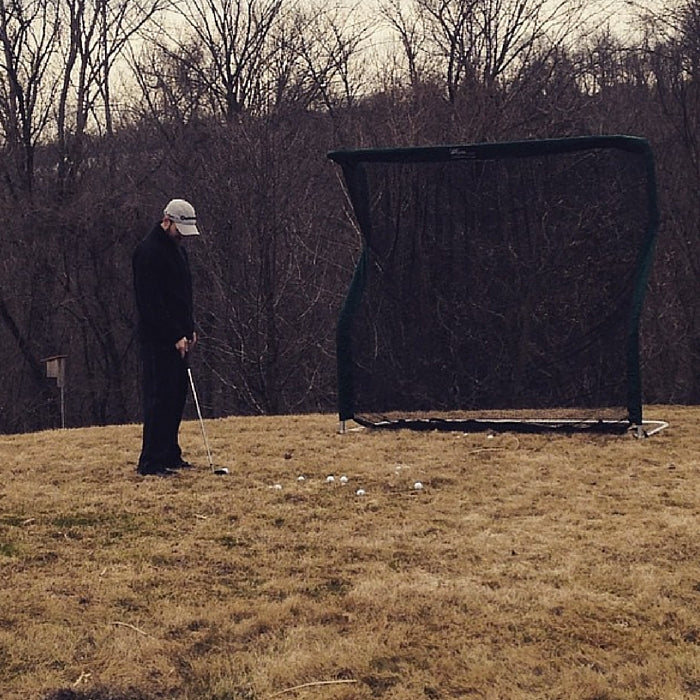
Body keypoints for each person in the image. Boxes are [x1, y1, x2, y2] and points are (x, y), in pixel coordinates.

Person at [132, 198, 200, 476]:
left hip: (179, 337)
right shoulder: (148, 252)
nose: (181, 237)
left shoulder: (177, 250)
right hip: (158, 340)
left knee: (175, 397)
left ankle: (170, 453)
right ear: (167, 221)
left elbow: (182, 295)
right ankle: (151, 460)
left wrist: (189, 328)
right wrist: (174, 335)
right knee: (159, 398)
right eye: (179, 230)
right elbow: (151, 304)